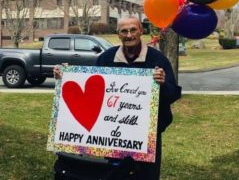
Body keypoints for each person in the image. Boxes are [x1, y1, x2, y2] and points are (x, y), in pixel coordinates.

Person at [53, 16, 181, 180]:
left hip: (147, 135)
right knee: (114, 175)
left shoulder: (157, 59)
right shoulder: (106, 58)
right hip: (113, 134)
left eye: (133, 30)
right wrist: (65, 76)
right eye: (124, 31)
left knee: (146, 176)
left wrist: (163, 84)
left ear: (141, 31)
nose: (129, 35)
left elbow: (174, 94)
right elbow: (90, 86)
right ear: (118, 34)